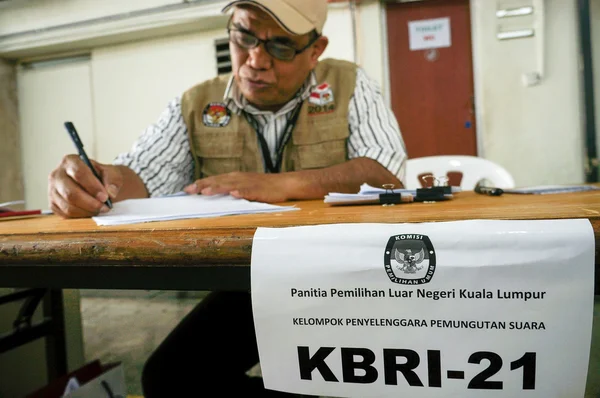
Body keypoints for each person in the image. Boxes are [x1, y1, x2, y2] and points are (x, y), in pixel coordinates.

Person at [48, 0, 407, 395]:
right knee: (170, 378)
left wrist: (281, 184)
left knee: (366, 378)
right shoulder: (196, 104)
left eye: (281, 46)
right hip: (252, 284)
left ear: (315, 50)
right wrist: (100, 179)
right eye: (244, 36)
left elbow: (383, 175)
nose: (256, 60)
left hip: (347, 279)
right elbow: (140, 177)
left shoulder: (349, 83)